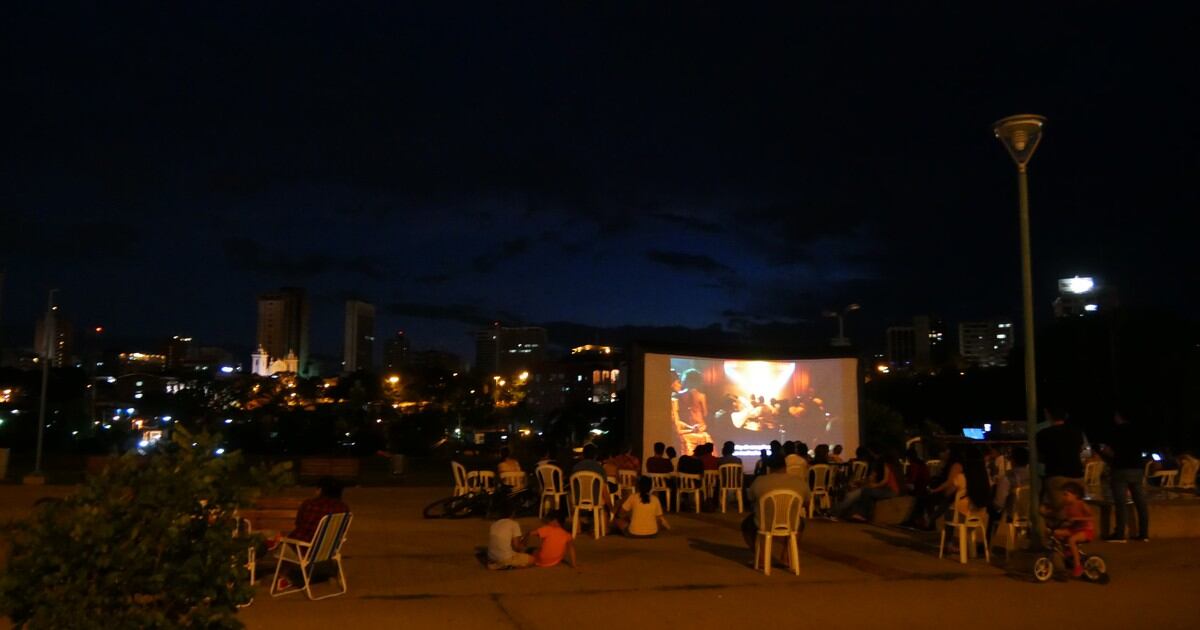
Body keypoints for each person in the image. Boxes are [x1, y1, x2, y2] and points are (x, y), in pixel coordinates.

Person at [275, 476, 351, 590]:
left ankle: (285, 576)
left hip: (304, 549)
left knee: (281, 546)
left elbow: (299, 523)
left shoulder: (310, 504)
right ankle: (303, 576)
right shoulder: (344, 508)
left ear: (320, 490)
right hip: (328, 550)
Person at [741, 454, 810, 562]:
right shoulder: (799, 482)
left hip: (764, 523)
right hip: (791, 523)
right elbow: (806, 502)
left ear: (769, 467)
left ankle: (761, 557)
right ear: (785, 466)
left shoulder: (760, 481)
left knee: (746, 525)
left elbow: (751, 498)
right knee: (801, 524)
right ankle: (787, 556)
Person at [1101, 411, 1149, 542]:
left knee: (1120, 503)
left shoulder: (1116, 431)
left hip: (1121, 469)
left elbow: (1107, 450)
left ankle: (1120, 534)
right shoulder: (1138, 431)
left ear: (1118, 417)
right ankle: (1144, 534)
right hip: (1137, 469)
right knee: (1140, 502)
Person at [1038, 405, 1085, 513]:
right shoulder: (1077, 432)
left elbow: (1040, 457)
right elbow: (1079, 450)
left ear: (1048, 415)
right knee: (1076, 512)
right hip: (1076, 475)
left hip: (1056, 476)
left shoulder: (1043, 434)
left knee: (1059, 512)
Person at [837, 449, 903, 522]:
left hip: (890, 490)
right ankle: (862, 515)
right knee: (869, 494)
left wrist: (875, 485)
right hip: (892, 490)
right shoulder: (896, 466)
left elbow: (885, 480)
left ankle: (861, 514)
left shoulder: (885, 465)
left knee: (865, 491)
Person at [1049, 482, 1095, 577]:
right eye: (1063, 495)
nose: (1064, 497)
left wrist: (1077, 519)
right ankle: (1068, 552)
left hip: (1086, 530)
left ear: (1076, 495)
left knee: (1072, 540)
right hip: (1074, 529)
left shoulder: (1082, 505)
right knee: (1056, 533)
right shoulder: (1067, 507)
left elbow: (1091, 518)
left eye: (1066, 495)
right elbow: (1068, 520)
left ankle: (1078, 566)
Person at [990, 447, 1030, 540]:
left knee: (993, 512)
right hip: (1030, 513)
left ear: (1013, 461)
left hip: (1013, 515)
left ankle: (989, 542)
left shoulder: (1008, 477)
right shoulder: (1034, 477)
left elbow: (999, 503)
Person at [487, 500, 533, 570]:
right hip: (504, 558)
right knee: (532, 560)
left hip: (491, 557)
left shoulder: (494, 524)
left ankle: (498, 564)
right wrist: (527, 537)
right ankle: (508, 565)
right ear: (513, 513)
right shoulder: (513, 524)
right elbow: (517, 547)